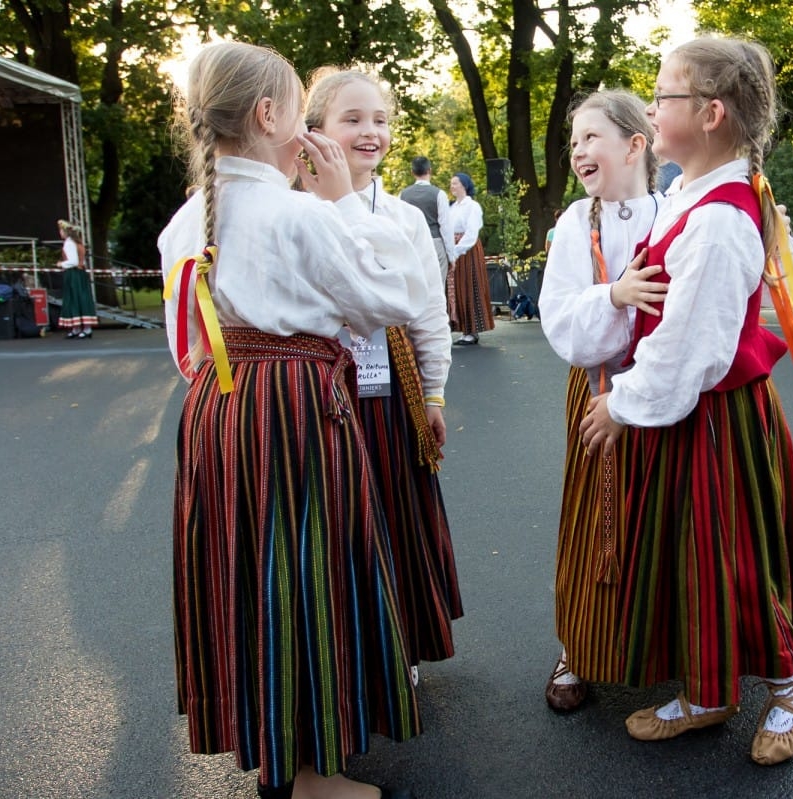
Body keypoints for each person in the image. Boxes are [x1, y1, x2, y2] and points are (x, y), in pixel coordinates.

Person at [157, 41, 428, 799]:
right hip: (295, 411)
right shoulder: (300, 213)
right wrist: (342, 199)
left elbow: (185, 346)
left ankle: (265, 733)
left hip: (217, 405)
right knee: (306, 576)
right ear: (270, 115)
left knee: (243, 568)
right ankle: (314, 774)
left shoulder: (185, 220)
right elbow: (394, 297)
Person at [579, 37, 793, 767]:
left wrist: (623, 402)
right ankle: (711, 687)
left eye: (664, 97)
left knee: (731, 556)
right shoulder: (692, 194)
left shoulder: (718, 219)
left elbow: (693, 345)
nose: (651, 108)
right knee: (690, 558)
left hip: (709, 415)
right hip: (688, 410)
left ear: (711, 114)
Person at [305, 68, 462, 677]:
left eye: (380, 120)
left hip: (387, 385)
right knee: (332, 517)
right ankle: (338, 645)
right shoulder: (293, 208)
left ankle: (397, 640)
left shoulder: (401, 217)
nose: (370, 132)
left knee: (393, 510)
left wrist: (433, 392)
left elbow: (427, 311)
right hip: (317, 385)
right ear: (315, 129)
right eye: (352, 120)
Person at [538, 88, 663, 713]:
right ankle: (577, 646)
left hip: (664, 392)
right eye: (575, 141)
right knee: (593, 521)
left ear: (635, 144)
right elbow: (558, 317)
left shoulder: (674, 213)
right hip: (595, 388)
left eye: (592, 138)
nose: (579, 151)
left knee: (659, 516)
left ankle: (659, 646)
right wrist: (613, 295)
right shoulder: (571, 223)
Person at [446, 171, 493, 345]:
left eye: (455, 183)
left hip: (467, 251)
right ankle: (462, 327)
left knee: (468, 286)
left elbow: (472, 233)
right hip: (453, 248)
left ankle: (471, 330)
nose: (452, 186)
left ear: (464, 185)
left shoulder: (472, 206)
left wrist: (457, 251)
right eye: (451, 183)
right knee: (456, 289)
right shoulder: (452, 207)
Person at [400, 156, 453, 283]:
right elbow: (446, 226)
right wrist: (451, 256)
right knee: (437, 286)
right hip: (435, 242)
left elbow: (400, 223)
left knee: (414, 285)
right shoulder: (439, 194)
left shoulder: (403, 194)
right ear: (430, 170)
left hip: (413, 244)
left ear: (412, 173)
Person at [56, 219, 96, 338]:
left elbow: (73, 261)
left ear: (65, 232)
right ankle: (79, 328)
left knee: (75, 299)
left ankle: (82, 328)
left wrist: (61, 264)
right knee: (80, 298)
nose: (60, 233)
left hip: (74, 274)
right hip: (79, 273)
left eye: (61, 231)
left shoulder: (69, 243)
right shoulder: (77, 242)